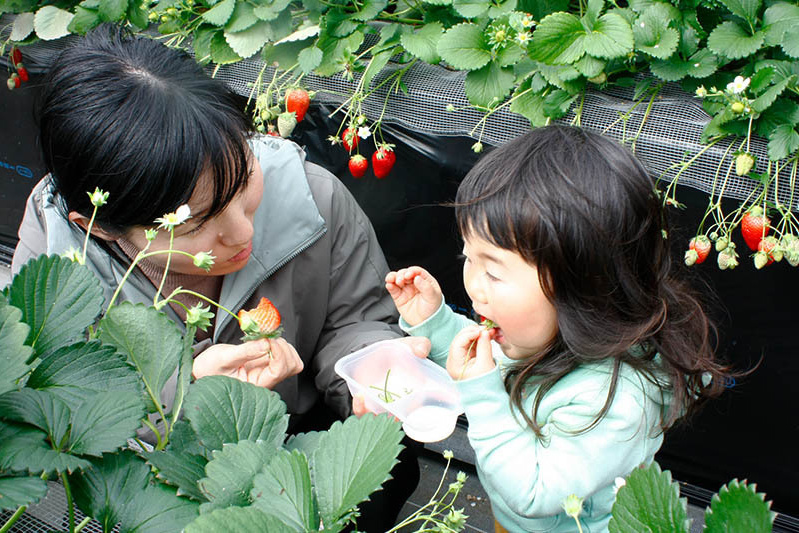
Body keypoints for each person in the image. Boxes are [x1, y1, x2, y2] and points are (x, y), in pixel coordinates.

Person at [12, 25, 420, 532]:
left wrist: (370, 365)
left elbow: (355, 318)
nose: (242, 232)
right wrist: (180, 396)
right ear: (102, 226)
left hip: (305, 441)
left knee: (389, 468)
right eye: (195, 224)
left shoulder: (312, 198)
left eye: (243, 181)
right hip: (163, 475)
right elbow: (59, 404)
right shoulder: (57, 267)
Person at [384, 125, 730, 533]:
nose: (473, 286)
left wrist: (481, 393)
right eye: (467, 257)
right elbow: (484, 361)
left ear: (582, 287)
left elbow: (534, 493)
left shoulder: (615, 400)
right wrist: (436, 322)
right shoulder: (540, 336)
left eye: (493, 272)